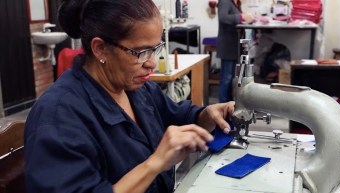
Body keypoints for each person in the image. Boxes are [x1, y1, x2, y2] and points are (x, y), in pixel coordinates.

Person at [24, 0, 236, 192]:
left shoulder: (135, 89)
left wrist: (208, 114)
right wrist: (155, 163)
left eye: (155, 48)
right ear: (100, 49)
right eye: (141, 52)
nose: (152, 62)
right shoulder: (58, 118)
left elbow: (179, 115)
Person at [216, 0, 254, 102]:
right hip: (227, 45)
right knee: (226, 78)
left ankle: (228, 105)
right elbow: (223, 18)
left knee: (231, 78)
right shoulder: (225, 1)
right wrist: (241, 17)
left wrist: (247, 18)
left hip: (234, 46)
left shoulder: (236, 3)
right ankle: (222, 106)